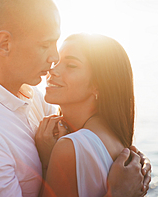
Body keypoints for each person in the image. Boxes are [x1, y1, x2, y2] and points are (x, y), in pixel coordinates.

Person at [0, 0, 151, 197]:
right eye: (45, 45)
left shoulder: (33, 98)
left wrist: (133, 161)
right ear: (4, 44)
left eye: (56, 43)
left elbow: (84, 138)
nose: (54, 58)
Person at [35, 33, 145, 197]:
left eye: (71, 65)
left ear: (98, 85)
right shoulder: (115, 138)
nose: (53, 70)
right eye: (56, 61)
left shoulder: (69, 147)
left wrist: (47, 163)